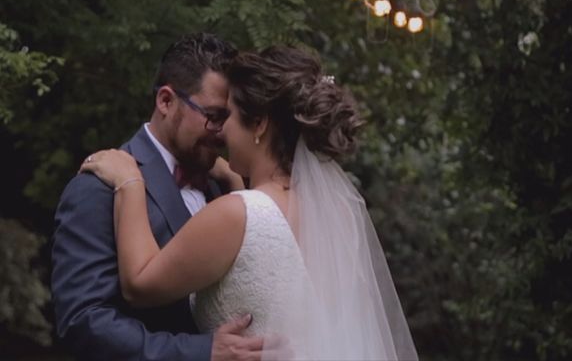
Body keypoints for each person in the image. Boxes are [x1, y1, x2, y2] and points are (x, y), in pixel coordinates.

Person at [80, 45, 419, 360]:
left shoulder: (237, 213)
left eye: (227, 116)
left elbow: (139, 284)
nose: (220, 131)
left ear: (258, 124)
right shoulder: (340, 213)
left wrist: (130, 182)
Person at [51, 33, 265, 361]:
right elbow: (83, 322)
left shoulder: (225, 186)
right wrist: (201, 351)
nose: (222, 132)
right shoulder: (98, 187)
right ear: (166, 101)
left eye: (228, 118)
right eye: (213, 116)